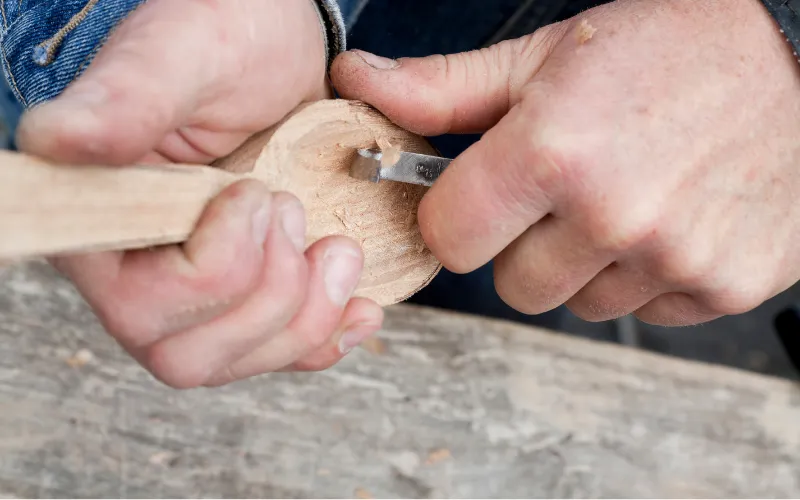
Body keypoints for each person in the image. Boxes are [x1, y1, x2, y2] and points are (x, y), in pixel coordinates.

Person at [2, 0, 799, 388]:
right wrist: (97, 26)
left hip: (608, 133)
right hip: (314, 69)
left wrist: (781, 47)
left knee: (513, 276)